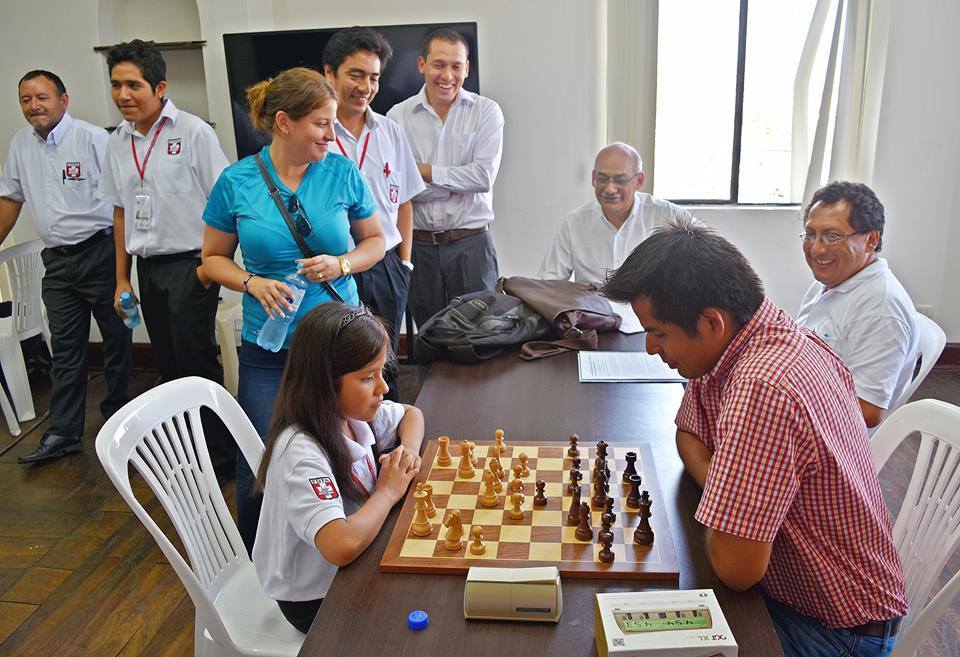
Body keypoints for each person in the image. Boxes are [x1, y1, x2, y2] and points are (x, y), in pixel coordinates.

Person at [601, 217, 907, 657]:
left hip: (835, 630)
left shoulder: (762, 387)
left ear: (710, 322)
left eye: (659, 332)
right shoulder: (747, 337)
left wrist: (734, 497)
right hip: (806, 597)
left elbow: (736, 569)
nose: (651, 347)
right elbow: (689, 430)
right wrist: (731, 486)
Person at [202, 67, 385, 554]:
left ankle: (338, 544)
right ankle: (257, 560)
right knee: (260, 453)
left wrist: (341, 262)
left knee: (339, 447)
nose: (332, 133)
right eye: (322, 124)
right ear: (284, 122)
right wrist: (252, 282)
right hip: (271, 345)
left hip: (336, 344)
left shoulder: (341, 172)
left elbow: (376, 243)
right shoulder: (236, 182)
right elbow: (212, 260)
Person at [253, 303, 423, 634]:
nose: (383, 388)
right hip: (313, 598)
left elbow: (411, 415)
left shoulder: (350, 416)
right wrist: (388, 491)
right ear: (326, 383)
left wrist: (407, 453)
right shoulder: (301, 453)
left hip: (351, 562)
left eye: (381, 373)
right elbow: (340, 546)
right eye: (367, 378)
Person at [0, 69, 131, 463]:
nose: (33, 106)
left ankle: (121, 424)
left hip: (101, 253)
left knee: (117, 340)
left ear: (63, 100)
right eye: (25, 99)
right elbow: (10, 198)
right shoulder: (20, 144)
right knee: (66, 347)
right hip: (56, 261)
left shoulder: (93, 139)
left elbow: (122, 202)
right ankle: (62, 433)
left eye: (42, 97)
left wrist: (124, 268)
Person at [322, 27, 426, 400]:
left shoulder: (390, 131)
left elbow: (405, 201)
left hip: (385, 267)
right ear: (329, 73)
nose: (366, 86)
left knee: (386, 365)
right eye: (356, 74)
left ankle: (388, 451)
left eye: (374, 77)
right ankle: (348, 453)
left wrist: (405, 265)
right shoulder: (315, 134)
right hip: (333, 268)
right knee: (339, 366)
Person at [387, 27, 504, 329]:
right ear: (422, 65)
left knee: (481, 337)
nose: (447, 75)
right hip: (418, 246)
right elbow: (397, 189)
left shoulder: (486, 112)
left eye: (456, 66)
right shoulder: (396, 118)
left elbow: (482, 178)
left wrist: (423, 171)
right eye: (439, 64)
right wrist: (454, 183)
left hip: (471, 243)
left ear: (467, 68)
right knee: (429, 339)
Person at [796, 181, 918, 428]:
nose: (817, 248)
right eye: (811, 234)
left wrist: (782, 399)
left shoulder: (881, 308)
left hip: (832, 440)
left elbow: (868, 411)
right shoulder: (834, 279)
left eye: (832, 236)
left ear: (871, 240)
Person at [539, 142, 692, 283]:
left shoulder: (668, 216)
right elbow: (550, 283)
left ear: (638, 181)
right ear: (593, 178)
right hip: (591, 311)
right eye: (603, 179)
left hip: (646, 312)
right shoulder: (575, 222)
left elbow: (710, 261)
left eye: (620, 180)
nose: (610, 189)